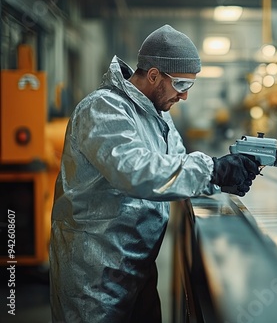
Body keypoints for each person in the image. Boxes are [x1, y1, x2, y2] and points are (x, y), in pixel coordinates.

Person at [49, 24, 259, 322]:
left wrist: (222, 178)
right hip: (96, 274)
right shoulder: (103, 109)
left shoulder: (157, 117)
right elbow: (135, 171)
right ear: (153, 75)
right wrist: (213, 170)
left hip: (139, 267)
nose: (184, 97)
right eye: (182, 85)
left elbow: (174, 167)